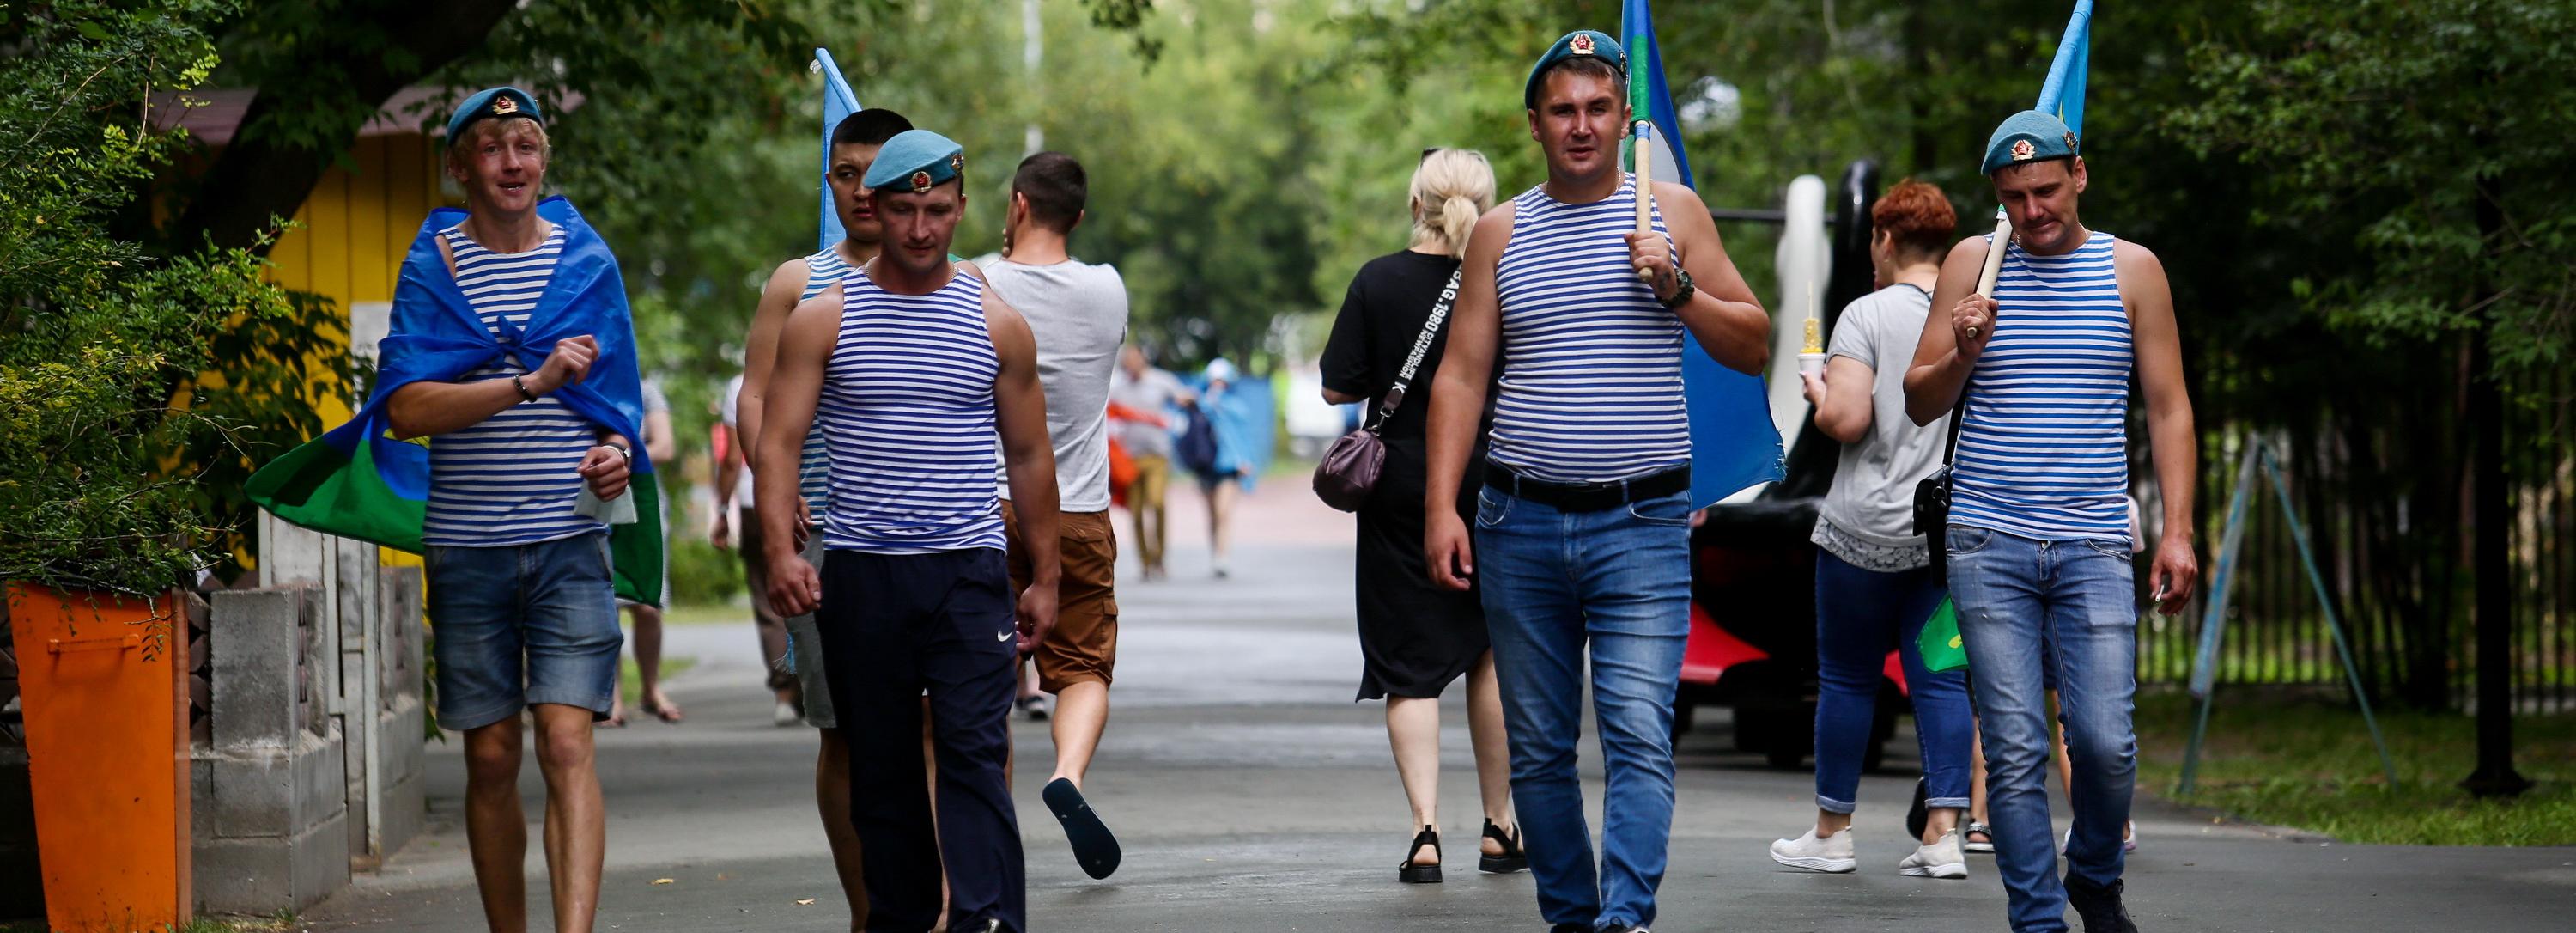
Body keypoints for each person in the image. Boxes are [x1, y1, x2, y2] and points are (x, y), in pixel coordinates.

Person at [1422, 31, 1771, 933]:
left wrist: (1680, 289)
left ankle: (1625, 918)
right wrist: (1440, 508)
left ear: (1624, 117)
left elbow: (1753, 341)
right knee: (1538, 751)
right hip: (1517, 522)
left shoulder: (1675, 215)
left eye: (1598, 108)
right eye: (1562, 111)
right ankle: (1572, 917)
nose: (1581, 127)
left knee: (1637, 737)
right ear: (1533, 124)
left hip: (1642, 523)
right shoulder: (1499, 234)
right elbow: (1461, 375)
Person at [1903, 110, 2199, 933]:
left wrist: (2177, 531)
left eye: (2045, 191)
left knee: (2105, 743)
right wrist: (1961, 347)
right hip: (1986, 540)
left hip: (2095, 541)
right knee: (2016, 749)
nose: (2032, 212)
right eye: (2013, 197)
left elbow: (2170, 409)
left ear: (2079, 176)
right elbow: (1919, 401)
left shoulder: (2132, 270)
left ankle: (2094, 877)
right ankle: (2037, 918)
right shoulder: (1974, 261)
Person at [758, 129, 1059, 933]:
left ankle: (988, 920)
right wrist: (781, 553)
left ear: (962, 208)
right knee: (883, 767)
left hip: (967, 572)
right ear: (873, 210)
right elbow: (779, 441)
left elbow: (1030, 455)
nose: (921, 228)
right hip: (863, 575)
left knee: (972, 753)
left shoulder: (998, 324)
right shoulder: (823, 318)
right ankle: (899, 917)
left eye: (936, 210)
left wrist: (1047, 575)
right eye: (903, 210)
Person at [386, 87, 641, 933]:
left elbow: (619, 406)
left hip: (570, 539)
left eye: (525, 145)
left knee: (567, 742)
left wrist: (616, 455)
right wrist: (528, 384)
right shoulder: (434, 267)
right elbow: (408, 408)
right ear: (460, 167)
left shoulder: (586, 262)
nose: (511, 164)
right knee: (490, 757)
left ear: (544, 160)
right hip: (468, 547)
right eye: (491, 148)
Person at [718, 106, 918, 927]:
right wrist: (778, 482)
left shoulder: (959, 278)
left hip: (934, 539)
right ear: (830, 183)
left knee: (937, 728)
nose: (862, 190)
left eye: (878, 172)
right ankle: (870, 909)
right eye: (845, 173)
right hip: (828, 536)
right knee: (845, 735)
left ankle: (931, 902)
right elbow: (755, 395)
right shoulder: (798, 282)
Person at [1319, 146, 1523, 884]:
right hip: (1495, 477)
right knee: (1491, 654)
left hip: (1401, 489)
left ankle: (1425, 832)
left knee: (1408, 667)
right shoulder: (1504, 275)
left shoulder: (1377, 281)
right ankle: (1501, 824)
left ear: (1417, 206)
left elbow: (1338, 388)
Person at [1765, 180, 1976, 880]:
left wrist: (1821, 394)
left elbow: (1849, 422)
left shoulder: (1866, 314)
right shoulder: (1972, 317)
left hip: (1860, 534)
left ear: (1883, 241)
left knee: (1849, 682)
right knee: (1942, 680)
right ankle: (1944, 835)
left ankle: (1833, 832)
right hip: (1943, 540)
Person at [979, 150, 1132, 880]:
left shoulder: (976, 281)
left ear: (1015, 204)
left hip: (987, 506)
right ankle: (1067, 773)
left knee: (983, 674)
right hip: (1076, 510)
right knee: (1082, 669)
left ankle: (990, 830)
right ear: (1078, 217)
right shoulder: (1107, 290)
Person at [713, 374, 805, 727]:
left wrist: (723, 511)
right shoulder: (820, 356)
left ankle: (784, 692)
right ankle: (818, 686)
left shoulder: (739, 384)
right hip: (809, 495)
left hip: (756, 503)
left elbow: (733, 459)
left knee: (770, 603)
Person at [610, 376, 681, 726]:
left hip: (644, 504)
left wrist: (616, 459)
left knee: (648, 605)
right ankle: (613, 697)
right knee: (606, 604)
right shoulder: (589, 386)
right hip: (599, 502)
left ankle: (651, 689)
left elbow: (665, 447)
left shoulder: (646, 389)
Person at [1107, 345, 1189, 581]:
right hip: (1129, 459)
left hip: (1157, 456)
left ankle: (1160, 556)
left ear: (1143, 360)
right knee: (1136, 511)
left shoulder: (1160, 381)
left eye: (1136, 359)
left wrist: (1187, 401)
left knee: (1158, 502)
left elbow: (1180, 396)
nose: (1132, 364)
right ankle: (1145, 562)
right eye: (1128, 361)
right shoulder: (1117, 386)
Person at [1189, 358, 1258, 578]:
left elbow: (1245, 438)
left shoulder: (1236, 408)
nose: (1218, 385)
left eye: (1222, 381)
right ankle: (1216, 553)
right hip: (1207, 466)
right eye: (1214, 381)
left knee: (1223, 511)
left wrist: (1247, 462)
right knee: (1212, 514)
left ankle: (1222, 556)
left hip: (1230, 467)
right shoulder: (1201, 405)